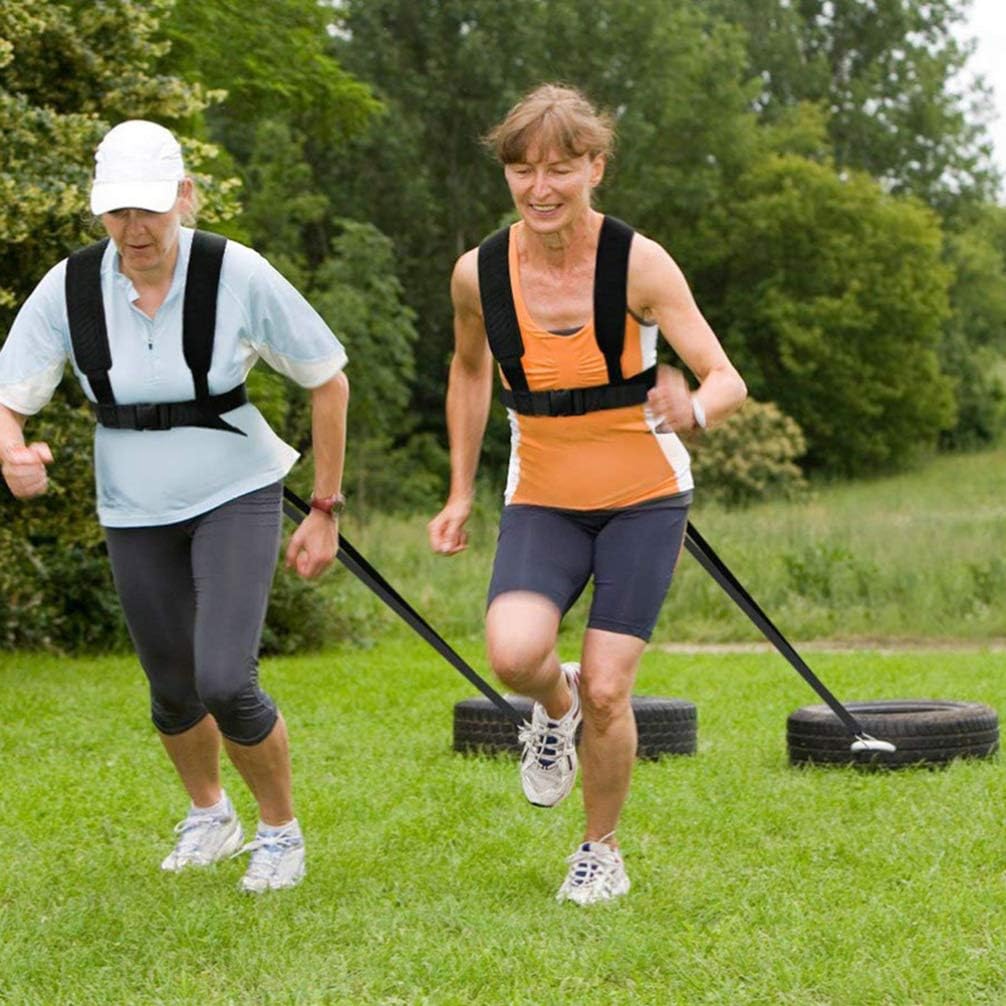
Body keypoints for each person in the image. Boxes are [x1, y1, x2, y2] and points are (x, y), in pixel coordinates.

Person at [0, 120, 349, 894]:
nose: (135, 228)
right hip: (131, 503)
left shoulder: (238, 272)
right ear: (99, 212)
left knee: (224, 677)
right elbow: (8, 396)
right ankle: (209, 816)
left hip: (235, 488)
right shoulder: (69, 286)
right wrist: (12, 449)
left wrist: (325, 506)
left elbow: (328, 378)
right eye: (119, 211)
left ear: (184, 198)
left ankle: (280, 831)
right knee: (170, 685)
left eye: (150, 209)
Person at [428, 85, 747, 905]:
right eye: (523, 170)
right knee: (514, 654)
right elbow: (468, 373)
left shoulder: (639, 262)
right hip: (542, 493)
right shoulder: (479, 274)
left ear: (595, 168)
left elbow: (724, 377)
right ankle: (553, 710)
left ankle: (599, 851)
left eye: (561, 169)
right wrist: (460, 491)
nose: (541, 188)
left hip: (645, 494)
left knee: (612, 685)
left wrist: (695, 409)